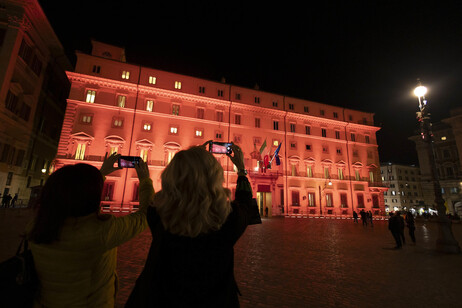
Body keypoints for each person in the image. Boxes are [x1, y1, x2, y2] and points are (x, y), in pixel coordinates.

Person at [126, 144, 260, 308]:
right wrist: (241, 170)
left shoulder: (158, 213)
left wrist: (145, 180)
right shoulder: (228, 218)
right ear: (214, 177)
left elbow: (149, 204)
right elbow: (246, 203)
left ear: (172, 176)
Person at [26, 153, 154, 307]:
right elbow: (145, 216)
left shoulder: (37, 226)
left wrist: (101, 173)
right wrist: (145, 180)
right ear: (91, 196)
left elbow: (75, 190)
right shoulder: (101, 232)